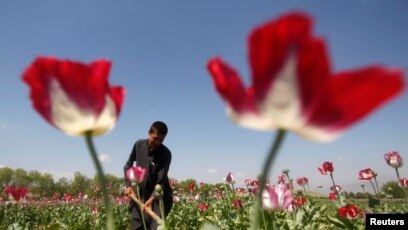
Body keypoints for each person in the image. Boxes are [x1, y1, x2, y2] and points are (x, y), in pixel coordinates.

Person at [123, 121, 173, 230]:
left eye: (161, 140)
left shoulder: (166, 153)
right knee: (137, 226)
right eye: (155, 138)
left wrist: (151, 199)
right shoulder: (138, 145)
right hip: (140, 195)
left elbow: (161, 181)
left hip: (158, 197)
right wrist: (128, 186)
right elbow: (127, 166)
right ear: (149, 133)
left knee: (154, 226)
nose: (158, 142)